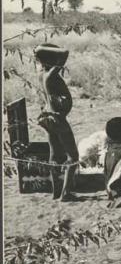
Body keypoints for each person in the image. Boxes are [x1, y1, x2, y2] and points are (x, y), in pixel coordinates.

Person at [35, 43, 79, 201]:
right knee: (73, 156)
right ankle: (66, 194)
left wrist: (41, 52)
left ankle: (56, 191)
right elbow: (65, 51)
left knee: (54, 155)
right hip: (57, 118)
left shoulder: (41, 73)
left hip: (47, 117)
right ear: (51, 59)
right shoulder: (51, 74)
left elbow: (40, 55)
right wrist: (42, 50)